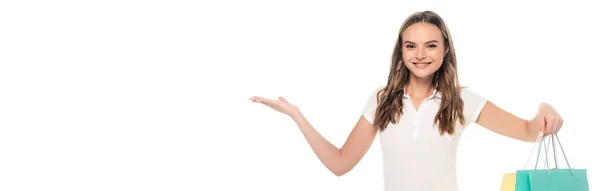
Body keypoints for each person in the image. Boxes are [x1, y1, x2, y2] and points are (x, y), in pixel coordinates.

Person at [248, 10, 563, 191]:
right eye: (411, 46)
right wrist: (297, 116)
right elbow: (341, 163)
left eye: (431, 45)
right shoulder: (382, 100)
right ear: (401, 51)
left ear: (445, 50)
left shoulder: (462, 101)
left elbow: (526, 130)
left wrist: (542, 111)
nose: (421, 55)